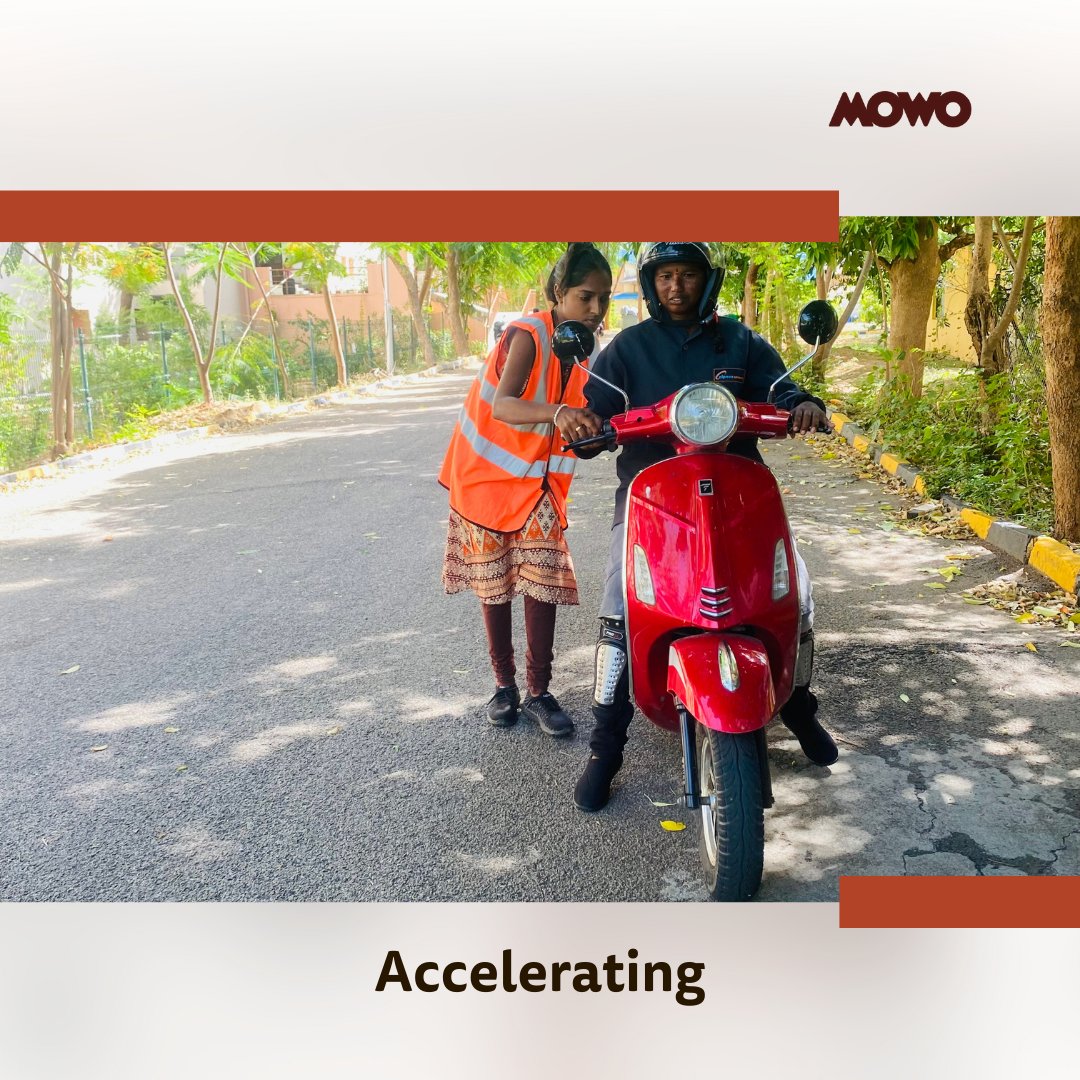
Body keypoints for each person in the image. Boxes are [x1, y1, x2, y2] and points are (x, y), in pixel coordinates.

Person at [573, 241, 839, 812]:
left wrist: (803, 403)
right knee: (620, 605)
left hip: (740, 493)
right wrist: (586, 426)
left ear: (707, 280)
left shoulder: (741, 341)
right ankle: (605, 746)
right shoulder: (627, 348)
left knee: (792, 591)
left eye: (688, 275)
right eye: (665, 275)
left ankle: (798, 705)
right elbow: (596, 410)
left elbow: (779, 388)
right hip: (652, 499)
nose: (676, 286)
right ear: (651, 282)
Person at [439, 243, 612, 737]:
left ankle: (539, 690)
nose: (595, 309)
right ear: (559, 292)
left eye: (603, 299)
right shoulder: (530, 334)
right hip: (485, 478)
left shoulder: (585, 349)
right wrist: (559, 414)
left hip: (537, 484)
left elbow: (575, 419)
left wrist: (594, 435)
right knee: (494, 584)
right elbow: (504, 405)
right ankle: (504, 686)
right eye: (585, 297)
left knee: (541, 583)